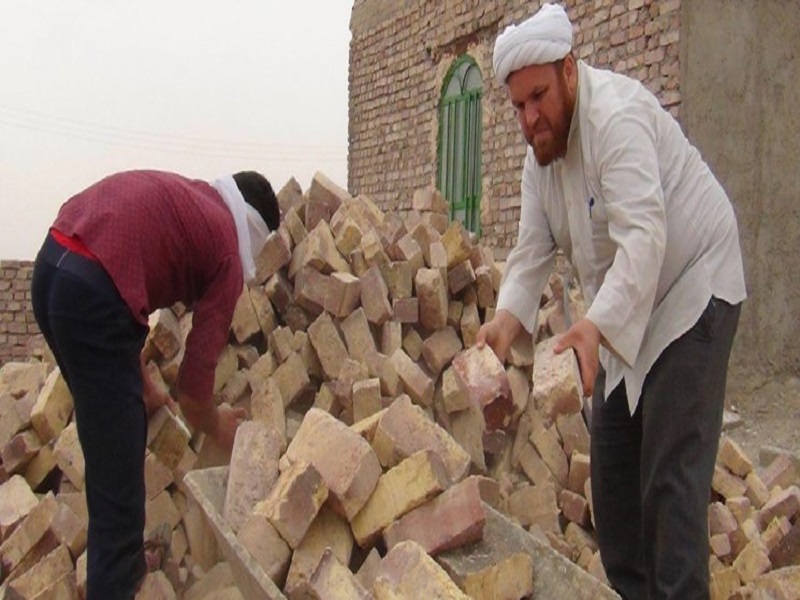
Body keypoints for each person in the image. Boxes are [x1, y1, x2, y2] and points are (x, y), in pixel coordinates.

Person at [478, 4, 746, 599]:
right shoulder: (538, 159)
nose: (530, 118)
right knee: (616, 491)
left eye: (539, 97)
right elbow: (531, 252)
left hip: (690, 290)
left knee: (670, 483)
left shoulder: (617, 119)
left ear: (569, 71)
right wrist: (504, 320)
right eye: (519, 105)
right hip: (624, 314)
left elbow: (645, 240)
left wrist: (596, 327)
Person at [31, 169, 280, 599]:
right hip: (91, 296)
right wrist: (217, 426)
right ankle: (117, 579)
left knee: (111, 440)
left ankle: (121, 561)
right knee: (120, 485)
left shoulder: (197, 202)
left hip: (53, 269)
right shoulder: (226, 252)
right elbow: (192, 391)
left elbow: (122, 279)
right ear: (257, 233)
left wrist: (143, 385)